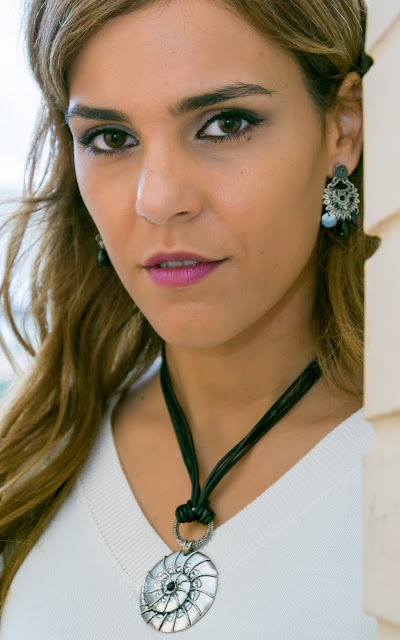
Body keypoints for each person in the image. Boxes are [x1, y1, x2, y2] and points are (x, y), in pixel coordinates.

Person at [0, 0, 379, 636]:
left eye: (225, 124)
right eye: (111, 138)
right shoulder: (27, 464)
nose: (157, 200)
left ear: (343, 127)